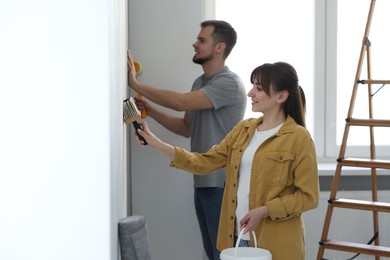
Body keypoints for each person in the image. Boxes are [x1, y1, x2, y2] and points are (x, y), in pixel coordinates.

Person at [133, 62, 320, 260]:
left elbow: (308, 197)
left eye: (258, 88)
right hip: (238, 238)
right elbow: (205, 162)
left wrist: (265, 211)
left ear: (281, 96)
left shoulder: (299, 138)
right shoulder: (244, 130)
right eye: (252, 86)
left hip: (278, 244)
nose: (250, 93)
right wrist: (158, 144)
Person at [127, 20, 247, 260]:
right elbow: (185, 128)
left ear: (220, 47)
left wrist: (136, 84)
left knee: (224, 255)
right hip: (202, 182)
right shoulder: (200, 83)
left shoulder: (229, 84)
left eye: (202, 40)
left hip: (221, 185)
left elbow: (182, 102)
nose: (195, 43)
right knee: (214, 254)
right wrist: (150, 109)